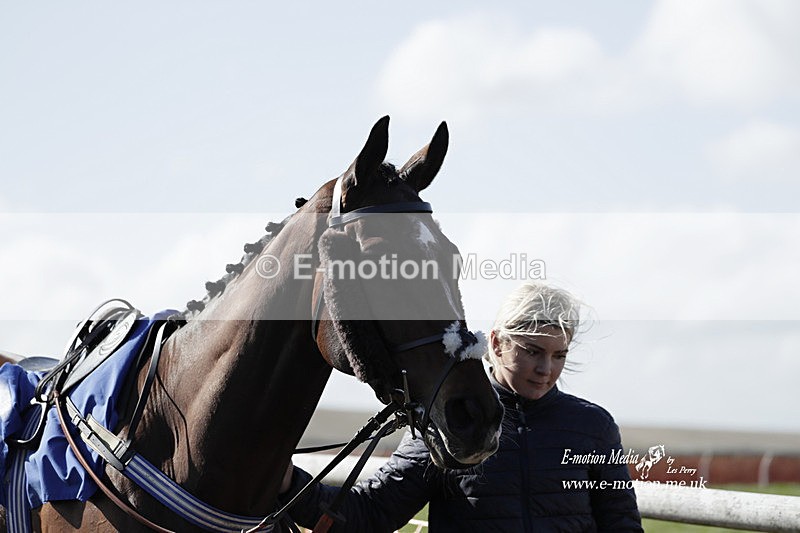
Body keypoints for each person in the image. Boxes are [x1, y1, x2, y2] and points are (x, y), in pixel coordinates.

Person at [278, 281, 643, 532]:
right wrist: (286, 483)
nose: (546, 369)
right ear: (497, 343)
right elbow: (372, 512)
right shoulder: (452, 418)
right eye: (532, 352)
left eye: (558, 355)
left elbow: (621, 523)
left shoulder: (593, 426)